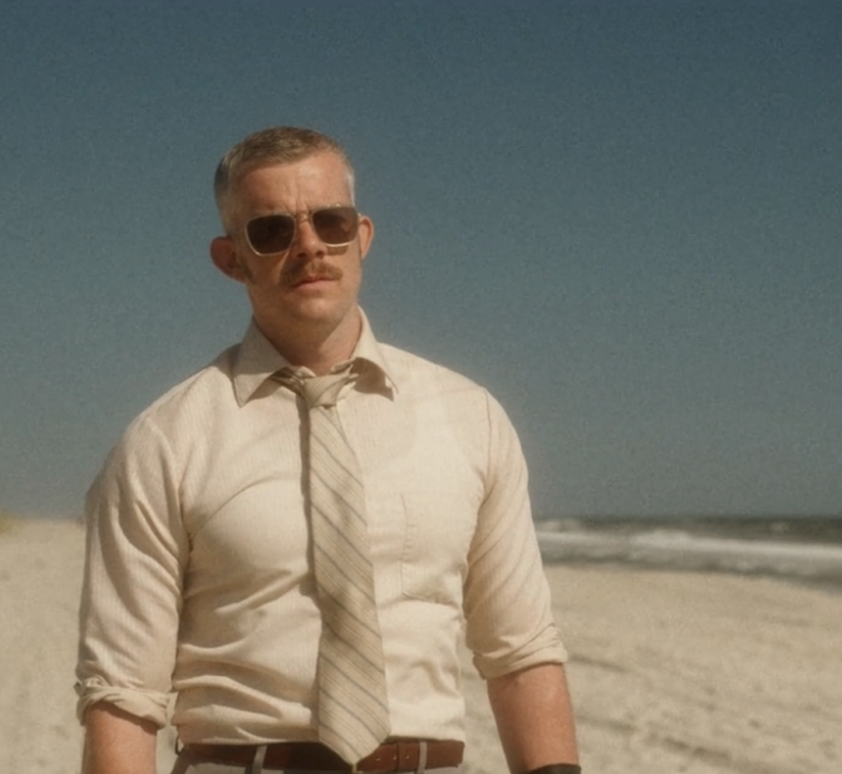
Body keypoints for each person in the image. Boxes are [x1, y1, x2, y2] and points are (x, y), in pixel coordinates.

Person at [76, 126, 581, 774]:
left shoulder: (470, 418)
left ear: (362, 236)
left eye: (330, 221)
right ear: (231, 258)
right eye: (272, 230)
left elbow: (522, 655)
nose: (309, 245)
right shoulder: (165, 442)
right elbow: (121, 694)